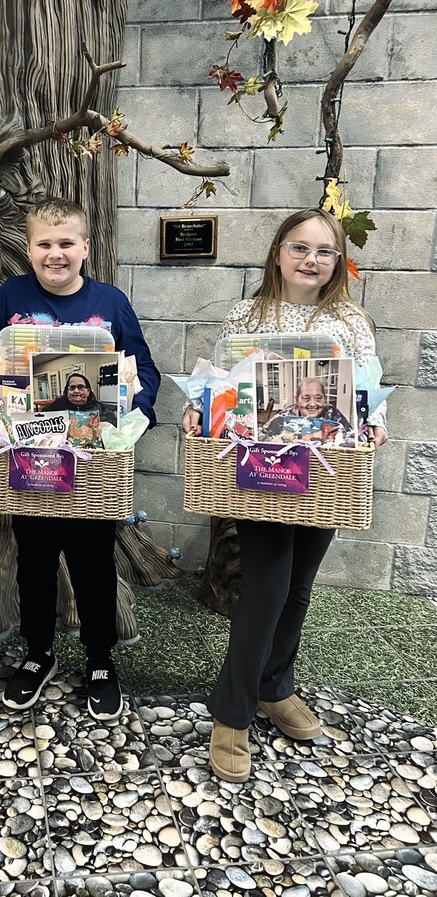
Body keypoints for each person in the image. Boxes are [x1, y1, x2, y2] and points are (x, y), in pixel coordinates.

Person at [183, 208, 388, 782]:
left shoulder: (351, 320)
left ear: (336, 262)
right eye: (300, 248)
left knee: (298, 586)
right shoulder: (247, 314)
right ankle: (233, 712)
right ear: (278, 252)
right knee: (268, 587)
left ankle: (276, 686)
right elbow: (222, 387)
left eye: (324, 252)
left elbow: (367, 391)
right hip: (266, 474)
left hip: (327, 472)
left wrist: (376, 421)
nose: (311, 260)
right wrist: (199, 411)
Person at [0, 197, 160, 721]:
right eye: (45, 244)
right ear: (29, 247)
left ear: (85, 247)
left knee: (93, 565)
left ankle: (101, 661)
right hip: (30, 464)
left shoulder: (110, 301)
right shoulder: (11, 296)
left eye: (66, 244)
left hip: (91, 464)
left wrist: (134, 419)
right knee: (33, 563)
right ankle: (37, 655)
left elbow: (143, 371)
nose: (55, 254)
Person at [260, 376, 353, 441]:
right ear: (297, 400)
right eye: (306, 398)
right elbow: (259, 435)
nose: (312, 404)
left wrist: (339, 441)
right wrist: (272, 441)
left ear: (325, 399)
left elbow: (354, 438)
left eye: (318, 398)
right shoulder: (285, 416)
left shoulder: (332, 413)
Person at [46, 371, 118, 427]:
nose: (76, 391)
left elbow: (114, 424)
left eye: (80, 387)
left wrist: (103, 426)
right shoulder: (56, 406)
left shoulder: (100, 407)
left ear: (88, 391)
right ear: (67, 391)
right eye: (72, 387)